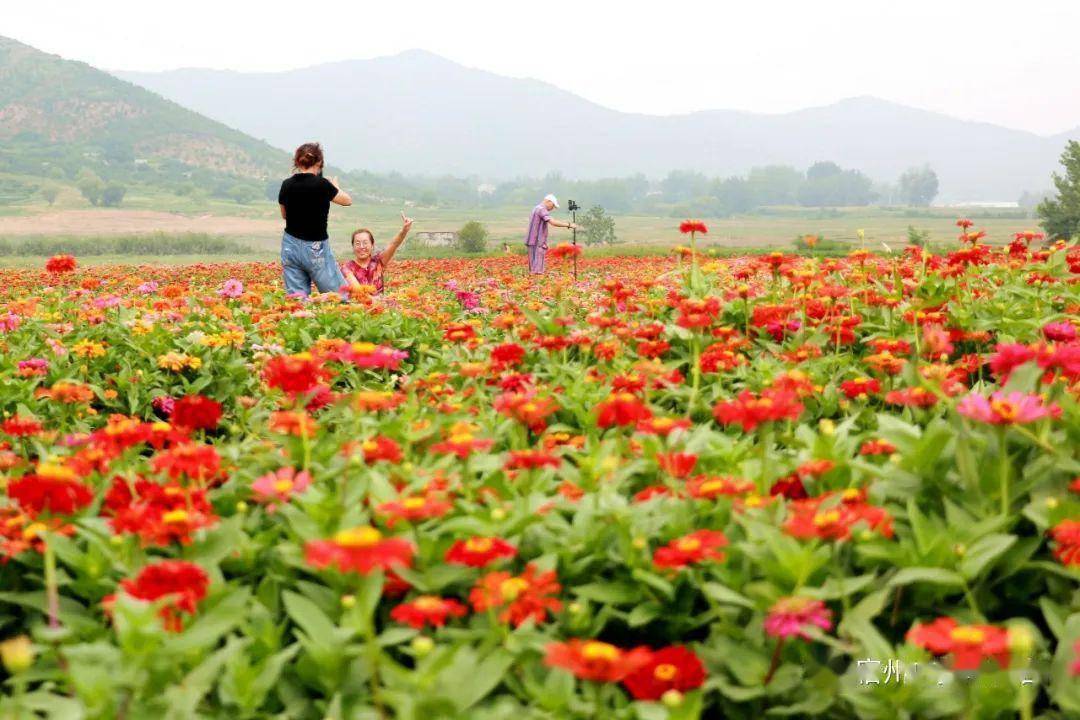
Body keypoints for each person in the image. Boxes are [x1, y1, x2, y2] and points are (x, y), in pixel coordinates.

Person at [278, 142, 352, 297]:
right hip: (315, 247)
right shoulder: (322, 184)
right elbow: (347, 201)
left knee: (297, 299)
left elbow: (284, 215)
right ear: (319, 162)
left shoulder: (286, 184)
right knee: (339, 296)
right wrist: (336, 187)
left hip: (290, 245)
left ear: (297, 162)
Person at [341, 212, 414, 294]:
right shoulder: (347, 268)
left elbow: (394, 245)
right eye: (357, 243)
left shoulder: (378, 262)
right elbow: (358, 291)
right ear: (353, 247)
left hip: (381, 305)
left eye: (365, 243)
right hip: (359, 305)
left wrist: (404, 231)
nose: (362, 247)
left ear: (372, 245)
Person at [524, 194, 577, 275]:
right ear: (548, 201)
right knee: (537, 270)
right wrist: (569, 225)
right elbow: (553, 222)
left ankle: (533, 284)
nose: (552, 208)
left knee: (533, 268)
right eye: (553, 206)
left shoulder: (536, 208)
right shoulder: (542, 209)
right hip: (538, 242)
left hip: (531, 241)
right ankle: (538, 286)